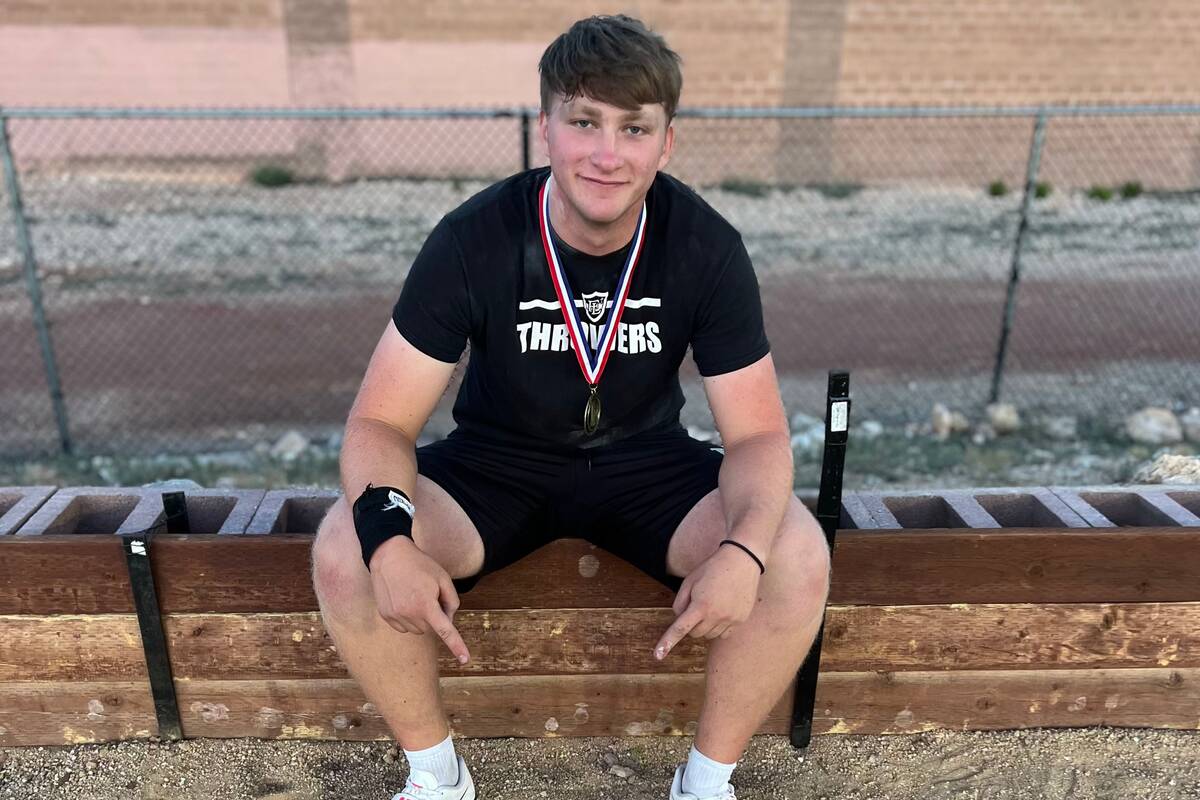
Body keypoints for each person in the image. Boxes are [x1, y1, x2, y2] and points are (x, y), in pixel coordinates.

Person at [311, 14, 831, 800]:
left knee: (794, 552)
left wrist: (744, 554)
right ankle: (437, 775)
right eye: (584, 121)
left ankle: (705, 782)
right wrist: (390, 547)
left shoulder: (705, 246)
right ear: (546, 127)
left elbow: (757, 434)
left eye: (634, 129)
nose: (607, 153)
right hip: (496, 463)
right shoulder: (473, 239)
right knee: (347, 548)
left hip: (646, 462)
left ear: (666, 143)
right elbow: (380, 424)